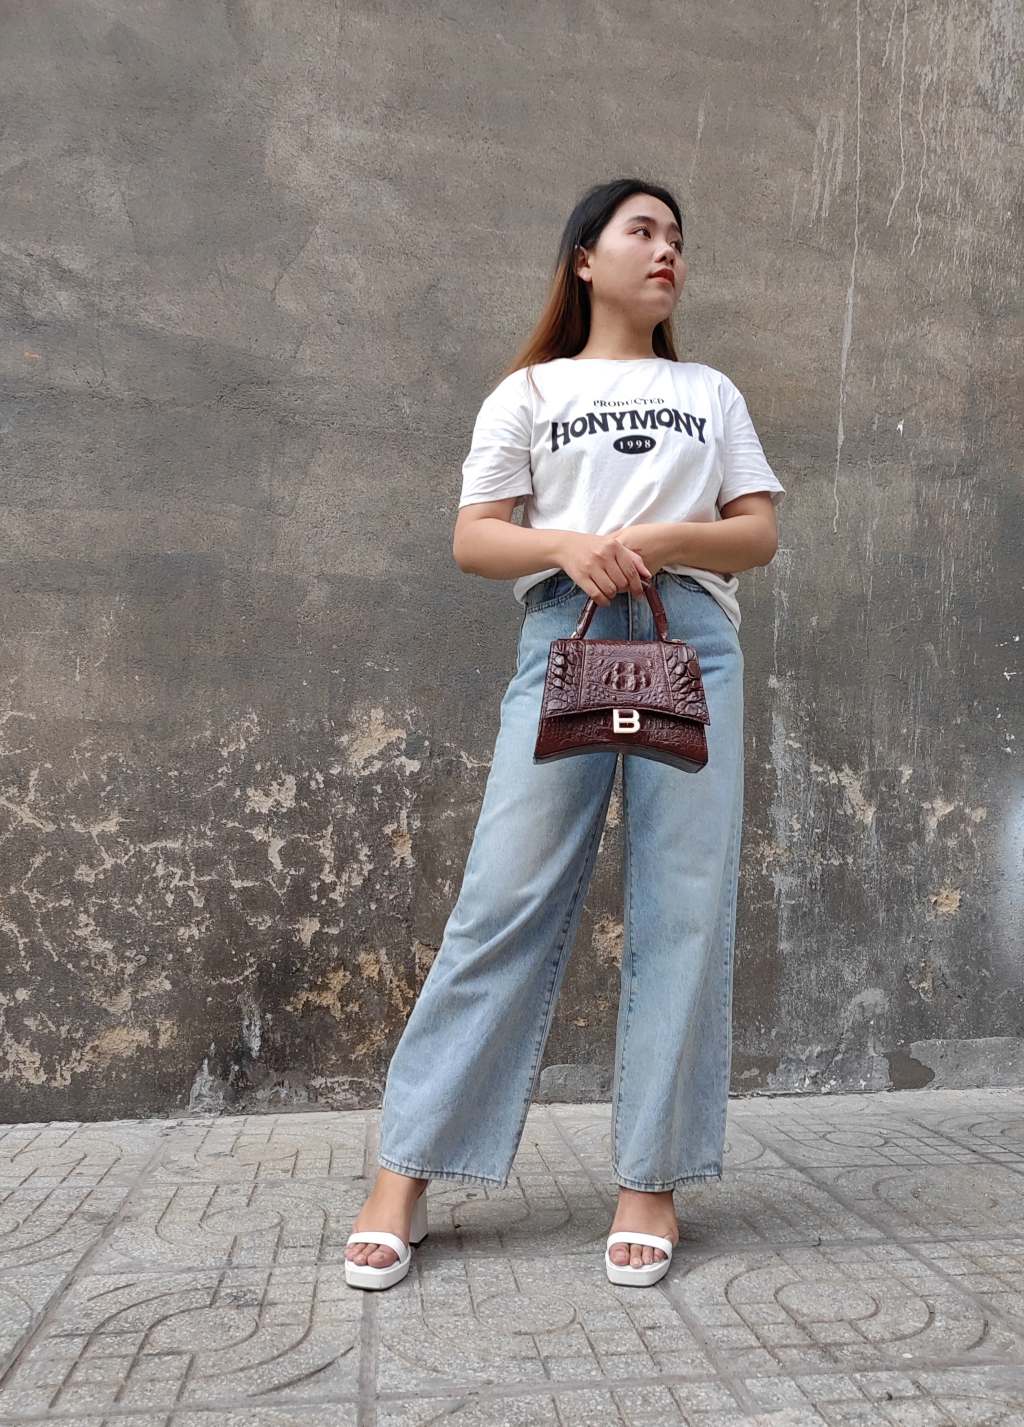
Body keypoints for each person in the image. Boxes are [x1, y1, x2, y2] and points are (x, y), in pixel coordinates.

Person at [345, 177, 785, 1291]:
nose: (666, 249)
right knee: (505, 893)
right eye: (642, 230)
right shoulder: (529, 391)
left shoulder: (708, 390)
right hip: (566, 634)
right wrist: (567, 546)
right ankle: (406, 1168)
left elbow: (756, 534)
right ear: (585, 258)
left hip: (691, 638)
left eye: (676, 236)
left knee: (685, 903)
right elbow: (474, 538)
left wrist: (660, 538)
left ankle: (651, 1179)